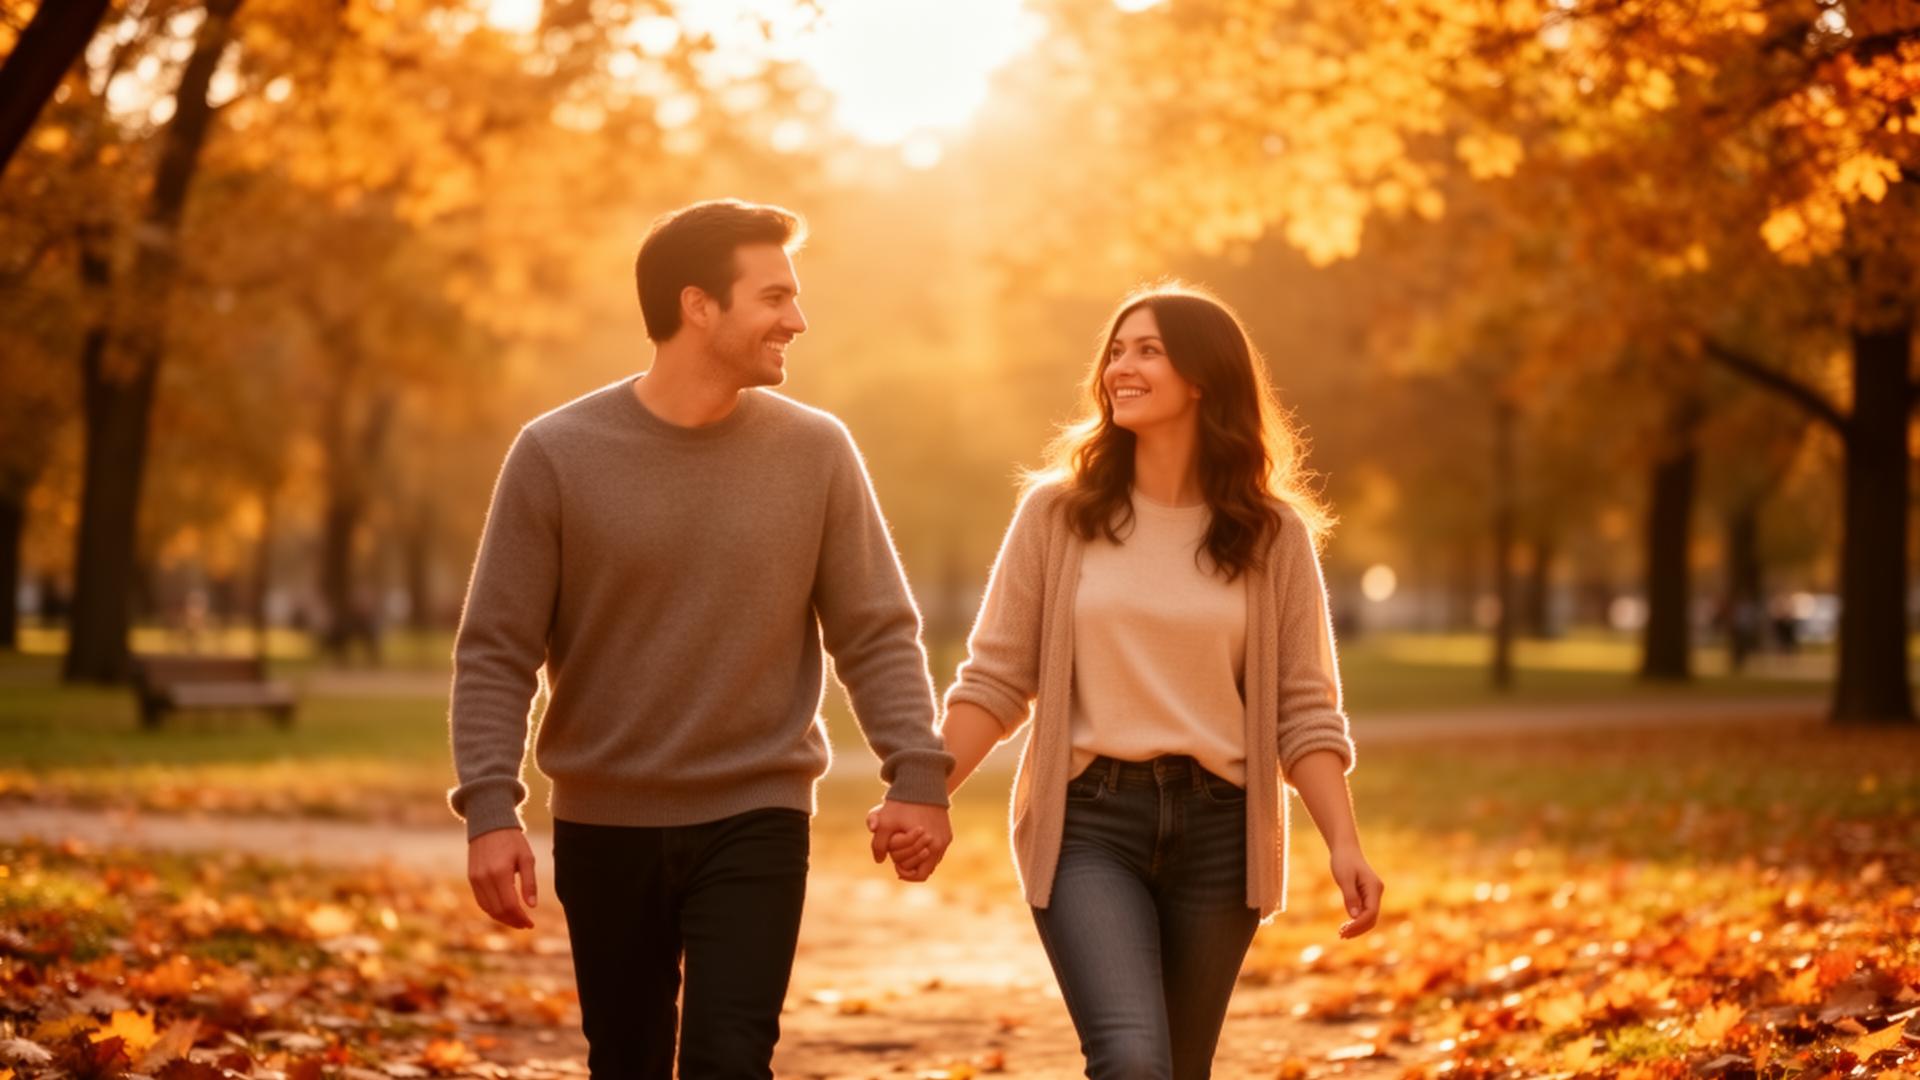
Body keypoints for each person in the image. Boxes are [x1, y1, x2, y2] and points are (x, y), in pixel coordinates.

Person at [449, 198, 955, 1079]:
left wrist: (917, 773)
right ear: (698, 307)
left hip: (757, 810)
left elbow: (875, 630)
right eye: (774, 297)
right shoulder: (557, 453)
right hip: (606, 821)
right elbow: (497, 648)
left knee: (731, 1057)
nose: (796, 319)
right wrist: (491, 809)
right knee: (630, 1058)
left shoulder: (817, 452)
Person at [884, 282, 1382, 1079]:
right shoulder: (1059, 514)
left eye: (1148, 350)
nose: (1122, 366)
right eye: (1116, 350)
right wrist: (924, 789)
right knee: (1132, 1059)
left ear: (1202, 379)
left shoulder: (1270, 533)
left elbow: (1304, 709)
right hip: (1089, 822)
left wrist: (1344, 842)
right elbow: (996, 679)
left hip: (1222, 834)